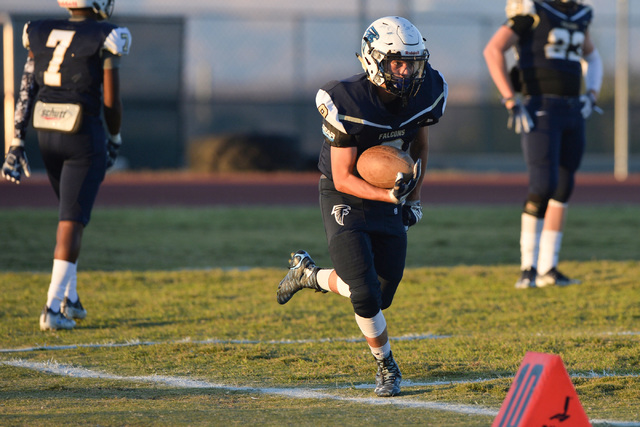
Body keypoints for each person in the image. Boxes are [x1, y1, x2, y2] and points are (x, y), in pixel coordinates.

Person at [276, 16, 447, 397]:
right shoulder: (345, 99)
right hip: (346, 194)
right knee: (366, 295)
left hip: (391, 188)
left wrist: (414, 198)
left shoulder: (428, 91)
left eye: (413, 63)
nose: (407, 71)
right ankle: (387, 366)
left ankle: (309, 275)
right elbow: (343, 178)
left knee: (382, 292)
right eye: (397, 62)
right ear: (374, 60)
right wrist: (389, 197)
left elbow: (419, 145)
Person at [1, 0, 131, 330]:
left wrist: (17, 140)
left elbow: (27, 86)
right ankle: (52, 308)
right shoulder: (107, 34)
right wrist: (114, 138)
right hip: (81, 134)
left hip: (46, 133)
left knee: (69, 213)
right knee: (72, 218)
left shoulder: (39, 30)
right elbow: (111, 101)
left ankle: (69, 298)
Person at [483, 0, 602, 289]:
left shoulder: (579, 14)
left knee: (563, 187)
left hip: (573, 108)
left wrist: (593, 93)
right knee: (542, 185)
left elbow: (592, 56)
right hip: (541, 107)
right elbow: (493, 49)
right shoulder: (534, 12)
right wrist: (509, 98)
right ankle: (528, 267)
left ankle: (549, 268)